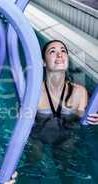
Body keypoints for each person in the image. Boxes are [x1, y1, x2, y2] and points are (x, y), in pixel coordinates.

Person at [23, 40, 98, 183]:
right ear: (43, 62)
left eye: (63, 51)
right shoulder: (34, 92)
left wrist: (94, 118)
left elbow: (83, 122)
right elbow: (24, 123)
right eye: (52, 51)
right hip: (38, 137)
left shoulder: (79, 92)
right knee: (33, 161)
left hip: (66, 138)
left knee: (67, 165)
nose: (59, 55)